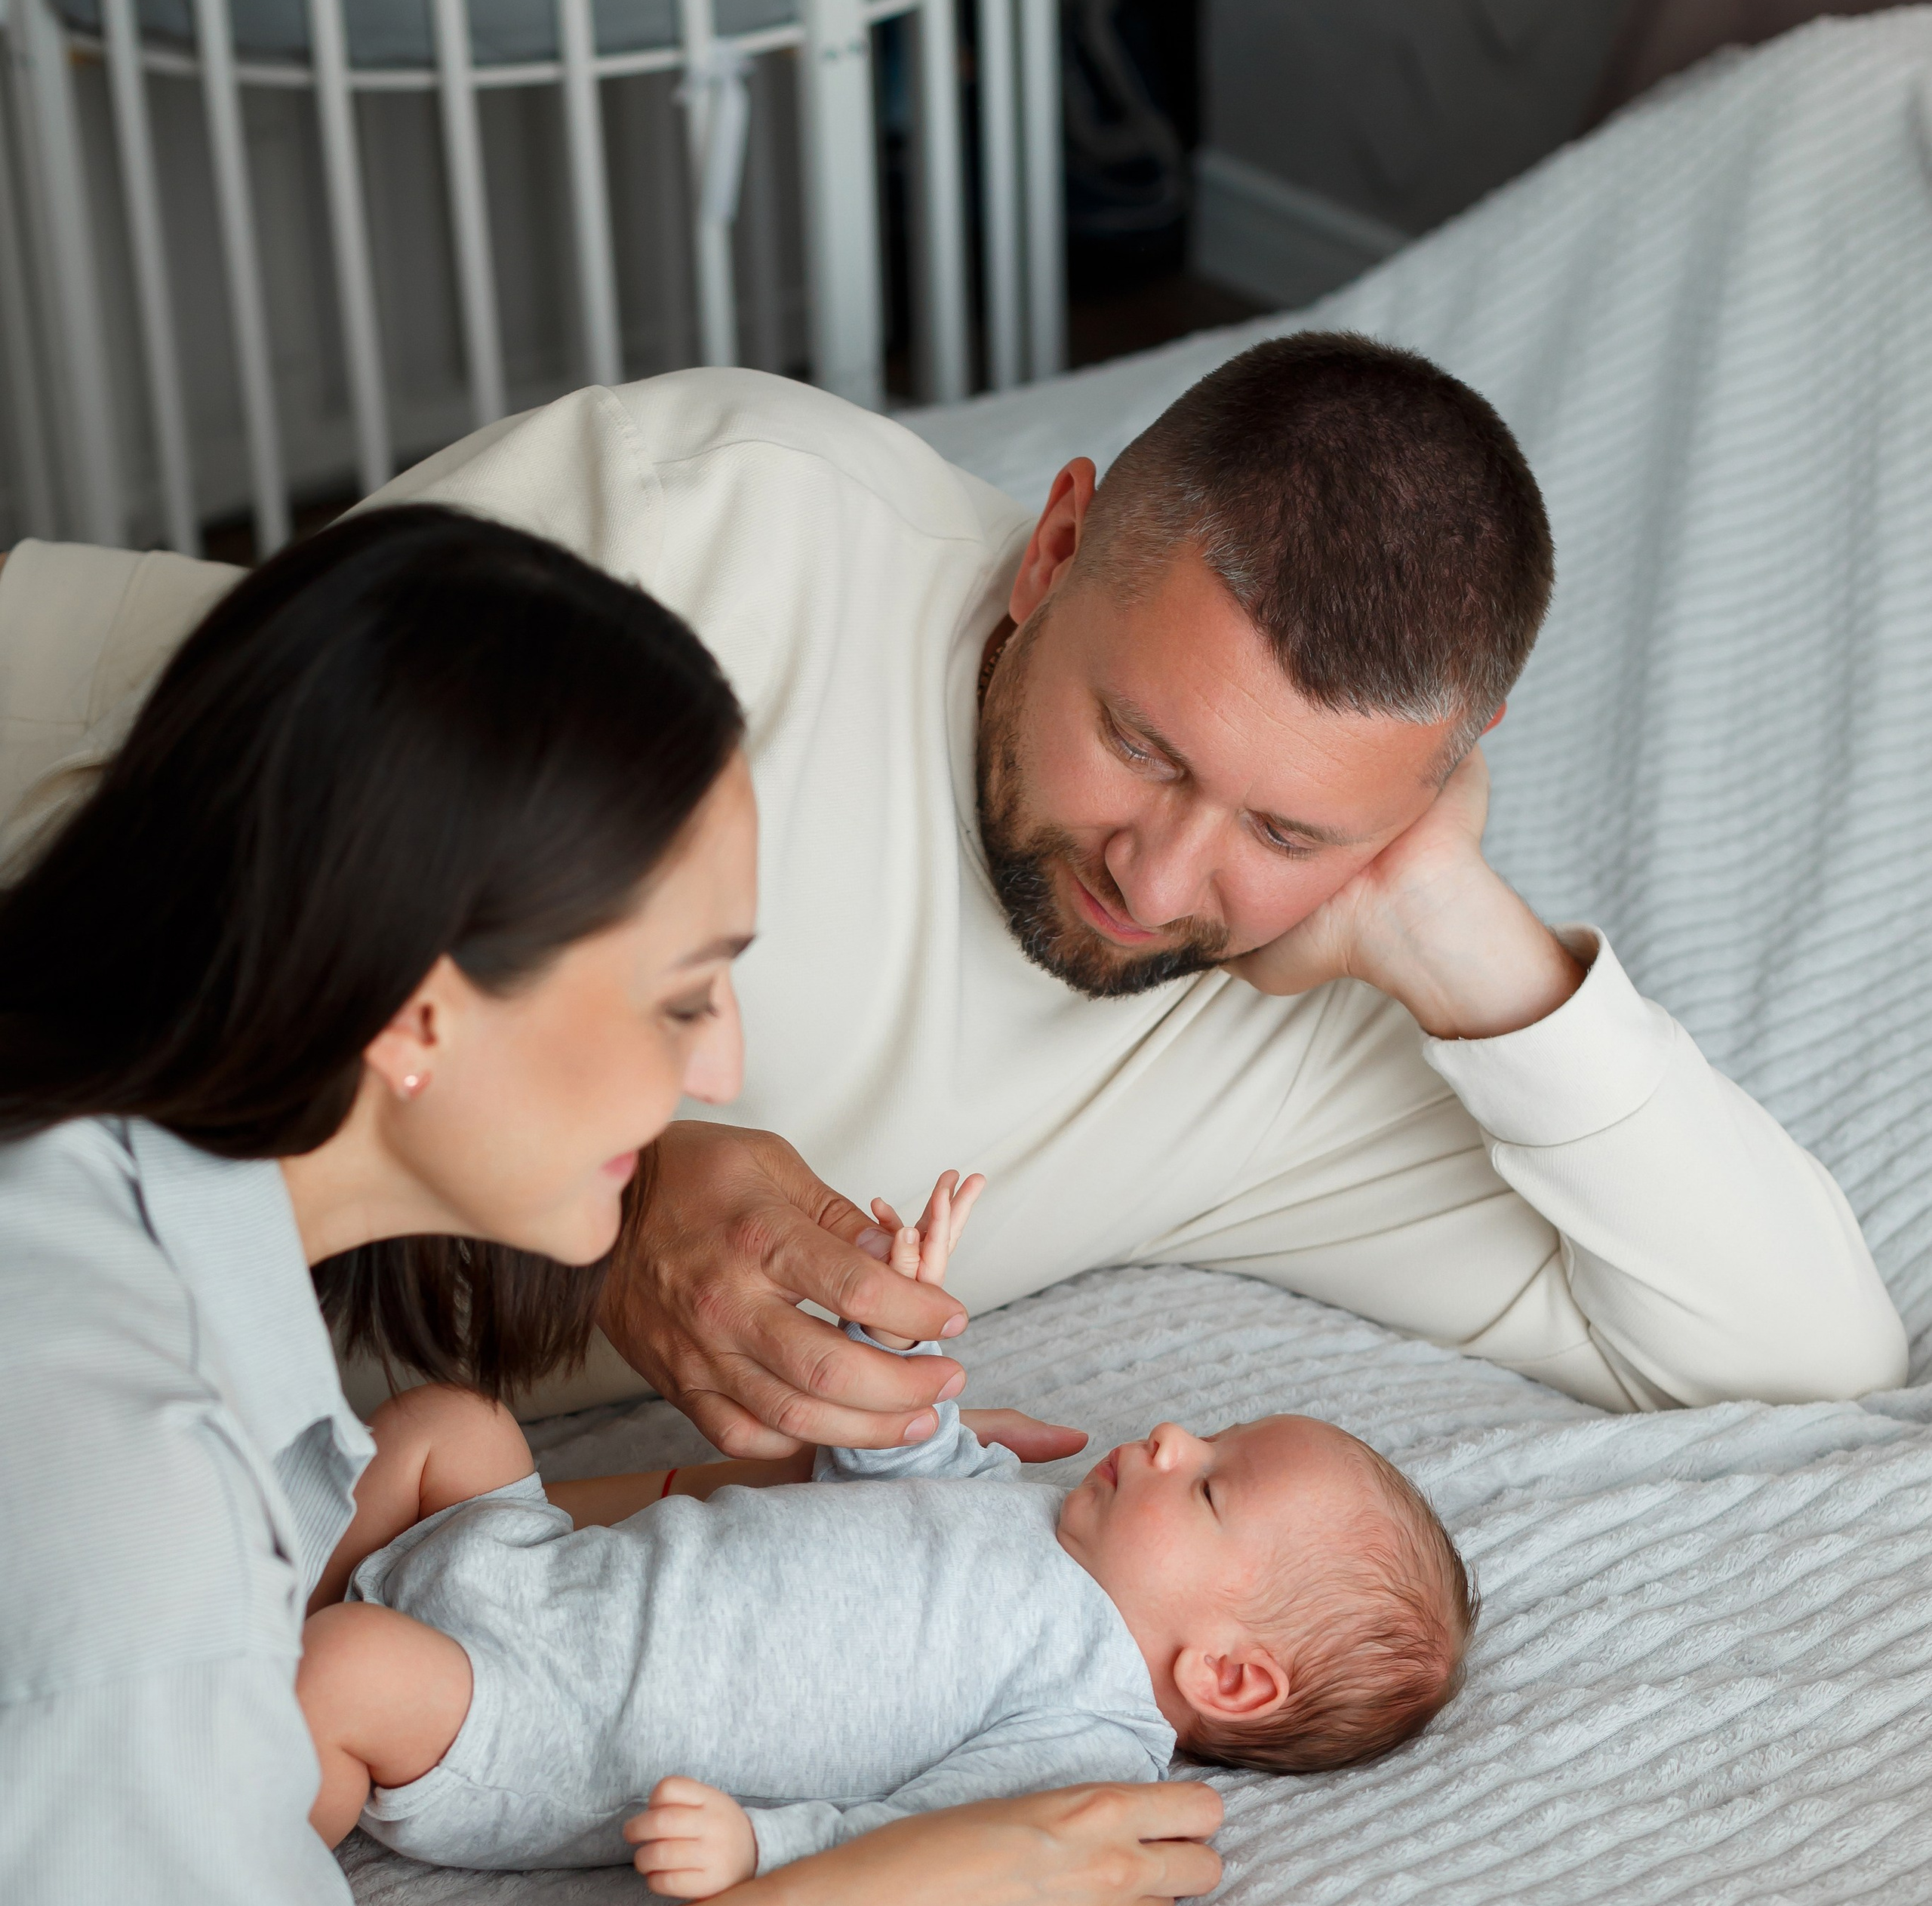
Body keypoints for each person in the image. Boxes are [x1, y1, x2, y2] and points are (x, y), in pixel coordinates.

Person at [0, 507, 1223, 1906]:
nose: (726, 1066)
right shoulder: (126, 1467)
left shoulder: (110, 1201)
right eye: (681, 997)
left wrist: (737, 1527)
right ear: (417, 1016)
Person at [0, 332, 1905, 1456]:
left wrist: (1457, 937)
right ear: (1054, 545)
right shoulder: (712, 526)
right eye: (1141, 746)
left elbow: (1803, 1348)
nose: (1163, 880)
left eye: (1290, 830)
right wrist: (653, 1176)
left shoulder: (1295, 1009)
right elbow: (230, 914)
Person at [296, 1170, 1474, 1894]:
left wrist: (766, 1850)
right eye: (1209, 1433)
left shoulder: (1085, 1721)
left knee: (343, 1675)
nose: (1170, 1436)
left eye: (1210, 1486)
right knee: (453, 1422)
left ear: (1226, 1673)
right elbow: (896, 1457)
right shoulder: (1035, 1510)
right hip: (546, 1574)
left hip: (540, 1714)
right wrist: (902, 1349)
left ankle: (228, 1858)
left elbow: (922, 1840)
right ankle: (253, 1595)